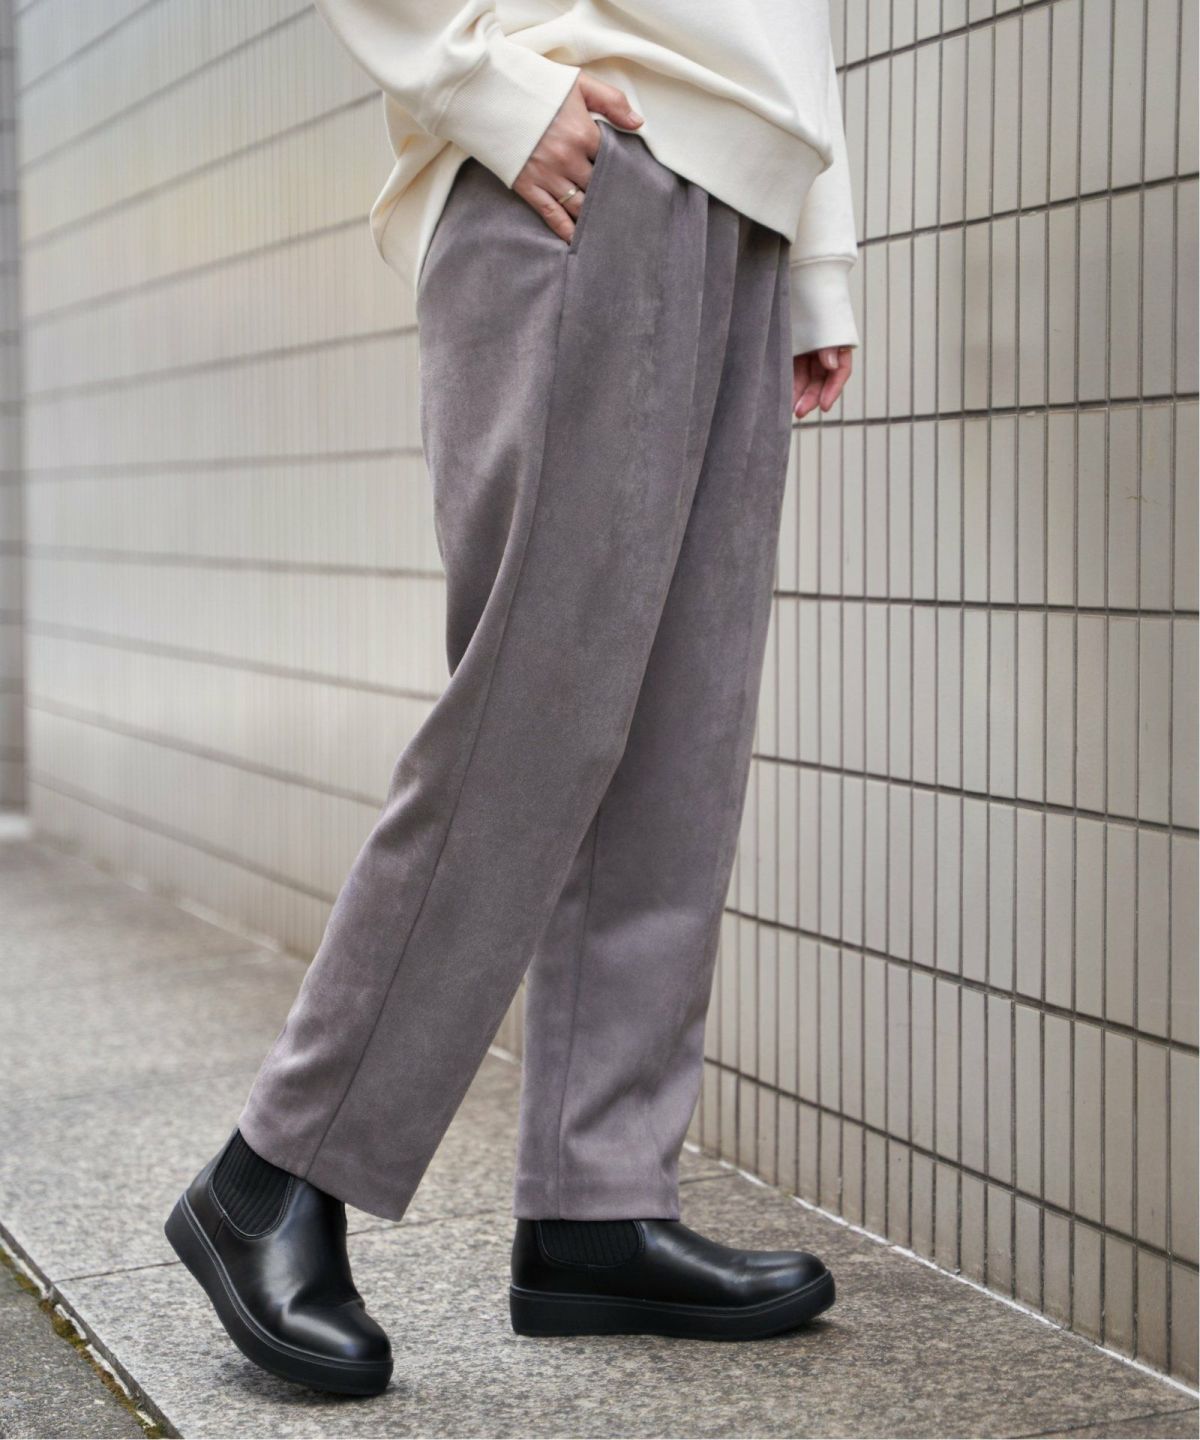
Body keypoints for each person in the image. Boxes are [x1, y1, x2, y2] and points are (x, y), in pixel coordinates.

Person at [165, 0, 859, 1397]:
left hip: (743, 202)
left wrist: (816, 252)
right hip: (587, 165)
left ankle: (599, 1206)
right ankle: (273, 1171)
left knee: (678, 737)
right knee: (533, 722)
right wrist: (480, 84)